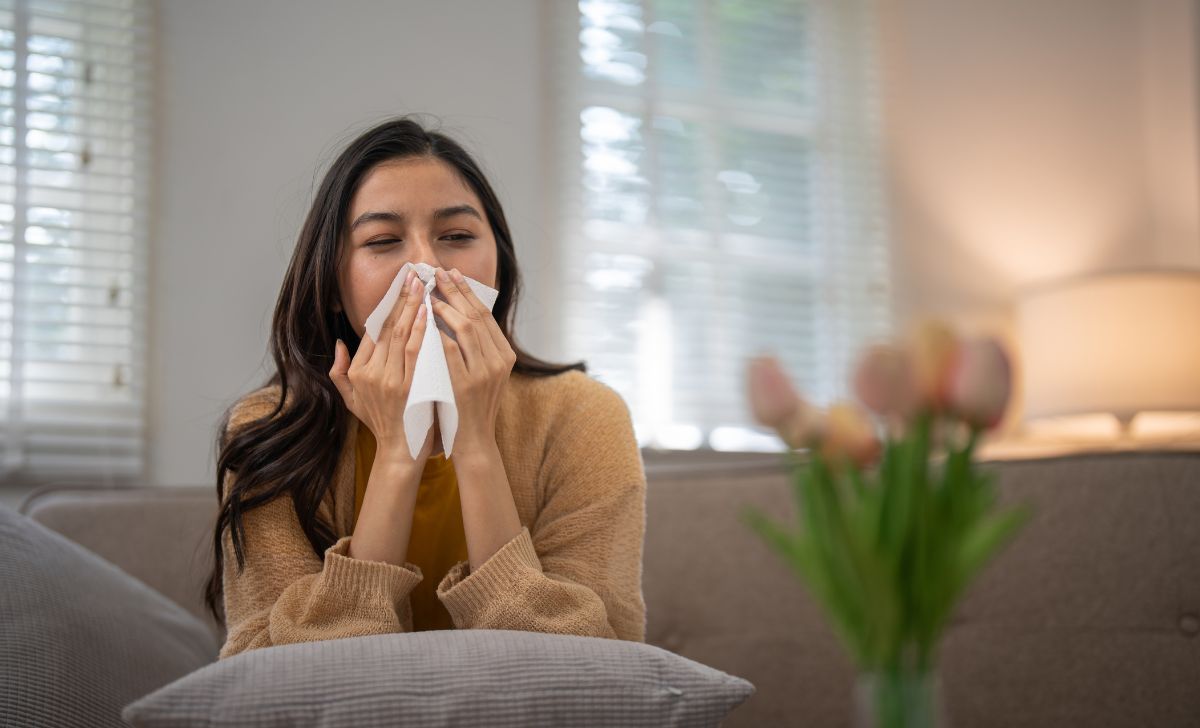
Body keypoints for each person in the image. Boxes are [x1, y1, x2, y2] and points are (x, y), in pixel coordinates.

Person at [203, 116, 647, 660]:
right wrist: (398, 451)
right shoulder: (268, 429)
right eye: (383, 240)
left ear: (499, 266)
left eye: (457, 236)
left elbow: (600, 662)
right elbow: (265, 672)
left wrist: (475, 442)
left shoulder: (584, 416)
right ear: (334, 287)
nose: (427, 267)